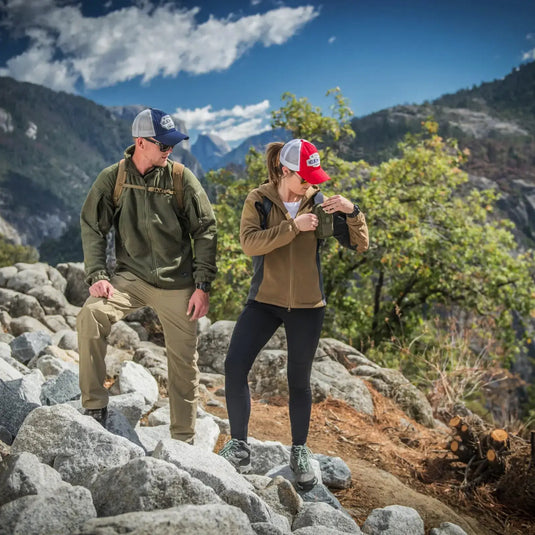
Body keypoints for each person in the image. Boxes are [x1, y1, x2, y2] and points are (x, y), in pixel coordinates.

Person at [218, 138, 368, 490]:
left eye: (314, 178)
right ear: (284, 171)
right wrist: (292, 227)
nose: (311, 185)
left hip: (307, 306)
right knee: (234, 365)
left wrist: (352, 210)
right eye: (305, 177)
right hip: (264, 301)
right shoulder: (259, 199)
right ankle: (239, 445)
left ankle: (299, 450)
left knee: (298, 380)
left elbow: (361, 245)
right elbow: (249, 243)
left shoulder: (320, 204)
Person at [77, 108, 217, 444]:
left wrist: (202, 286)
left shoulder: (181, 179)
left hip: (178, 284)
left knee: (184, 360)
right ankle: (94, 406)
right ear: (141, 143)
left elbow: (206, 230)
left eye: (172, 145)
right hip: (131, 279)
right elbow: (92, 226)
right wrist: (97, 273)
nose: (170, 151)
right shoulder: (113, 179)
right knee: (91, 315)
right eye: (164, 145)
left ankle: (182, 439)